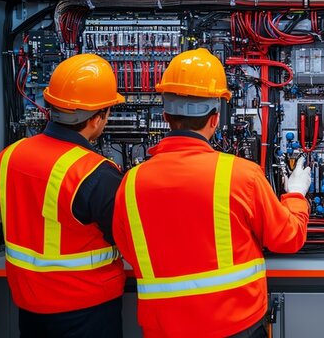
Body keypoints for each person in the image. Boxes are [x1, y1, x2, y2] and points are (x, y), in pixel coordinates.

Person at [111, 48, 312, 338]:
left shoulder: (131, 183)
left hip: (164, 329)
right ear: (215, 119)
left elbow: (129, 249)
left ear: (166, 115)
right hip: (237, 326)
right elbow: (287, 238)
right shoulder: (241, 175)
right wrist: (295, 194)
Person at [0, 53, 127, 337]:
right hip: (86, 309)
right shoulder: (94, 173)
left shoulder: (5, 159)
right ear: (98, 117)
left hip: (29, 307)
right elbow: (127, 236)